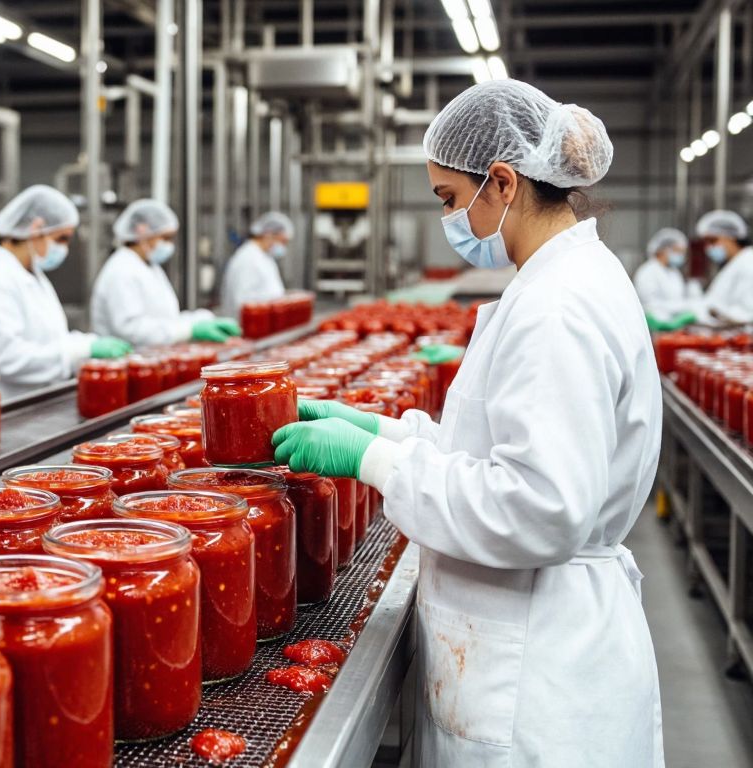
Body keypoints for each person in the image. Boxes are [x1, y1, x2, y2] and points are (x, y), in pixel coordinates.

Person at [272, 80, 662, 766]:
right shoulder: (556, 283)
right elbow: (489, 452)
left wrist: (374, 464)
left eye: (452, 200)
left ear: (503, 182)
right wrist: (376, 431)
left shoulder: (557, 309)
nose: (451, 220)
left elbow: (540, 506)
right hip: (520, 630)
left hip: (536, 672)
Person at [0, 185, 132, 397]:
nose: (64, 248)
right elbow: (9, 358)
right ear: (36, 228)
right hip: (6, 408)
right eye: (61, 238)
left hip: (35, 401)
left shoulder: (31, 274)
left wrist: (86, 343)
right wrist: (80, 351)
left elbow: (50, 340)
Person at [90, 199, 242, 346]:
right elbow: (131, 329)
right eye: (165, 238)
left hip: (151, 359)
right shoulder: (122, 270)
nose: (169, 245)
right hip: (126, 363)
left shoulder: (149, 266)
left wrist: (203, 319)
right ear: (142, 231)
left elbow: (166, 320)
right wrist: (189, 330)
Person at [220, 211, 293, 319]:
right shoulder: (247, 259)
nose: (283, 247)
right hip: (248, 329)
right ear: (269, 234)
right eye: (282, 241)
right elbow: (243, 303)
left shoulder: (264, 257)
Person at [694, 209, 753, 324]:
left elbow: (747, 312)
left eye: (713, 240)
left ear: (731, 236)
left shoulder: (748, 262)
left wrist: (714, 312)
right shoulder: (735, 263)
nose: (709, 247)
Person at [633, 227, 697, 331]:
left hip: (674, 324)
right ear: (664, 250)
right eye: (678, 251)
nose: (682, 256)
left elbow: (678, 299)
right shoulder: (647, 272)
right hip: (656, 326)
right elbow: (649, 305)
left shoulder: (674, 272)